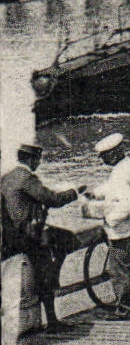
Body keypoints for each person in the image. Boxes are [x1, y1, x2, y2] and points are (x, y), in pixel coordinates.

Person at [2, 143, 83, 333]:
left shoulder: (7, 178)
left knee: (36, 275)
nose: (38, 163)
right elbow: (52, 200)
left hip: (12, 237)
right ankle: (53, 318)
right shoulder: (27, 178)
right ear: (31, 159)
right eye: (38, 160)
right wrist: (75, 192)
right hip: (31, 236)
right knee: (67, 240)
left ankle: (37, 318)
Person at [80, 134, 130, 319]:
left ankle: (126, 308)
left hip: (124, 228)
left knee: (119, 269)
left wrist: (110, 220)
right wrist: (95, 194)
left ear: (113, 153)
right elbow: (115, 188)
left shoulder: (119, 174)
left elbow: (123, 204)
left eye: (104, 156)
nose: (102, 160)